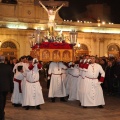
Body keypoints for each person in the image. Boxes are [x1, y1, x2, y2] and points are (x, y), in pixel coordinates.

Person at [0, 56, 13, 120]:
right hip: (4, 87)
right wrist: (11, 89)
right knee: (2, 101)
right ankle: (1, 114)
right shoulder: (8, 67)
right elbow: (11, 79)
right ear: (4, 60)